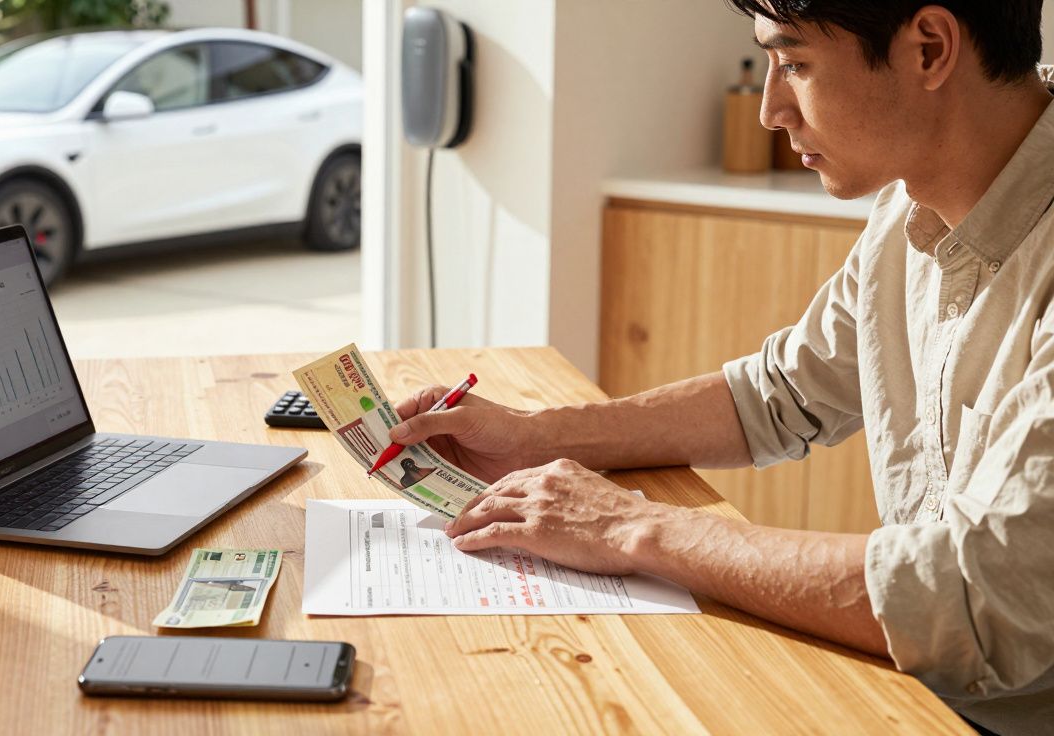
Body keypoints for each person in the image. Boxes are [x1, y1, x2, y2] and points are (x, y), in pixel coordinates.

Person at [388, 2, 1052, 733]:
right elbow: (783, 392)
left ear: (928, 49)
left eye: (795, 64)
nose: (771, 109)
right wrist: (540, 436)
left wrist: (631, 528)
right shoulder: (910, 199)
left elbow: (975, 596)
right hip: (918, 691)